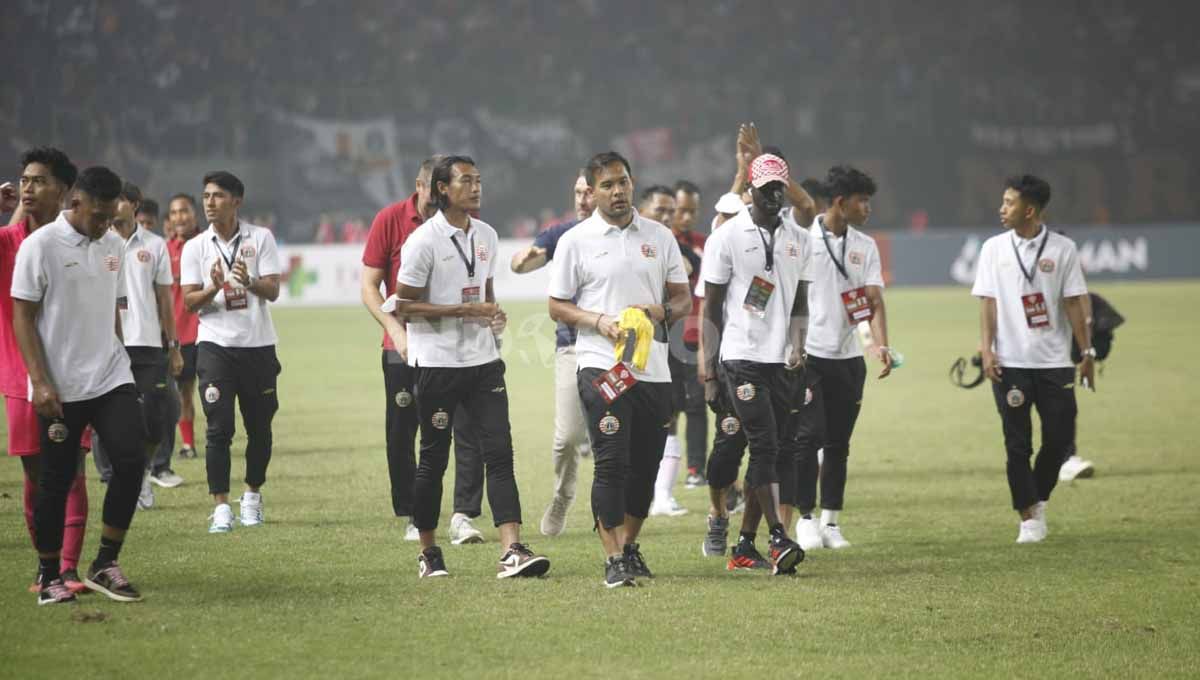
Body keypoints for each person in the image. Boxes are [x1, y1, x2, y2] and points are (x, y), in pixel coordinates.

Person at [390, 155, 549, 579]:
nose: (477, 187)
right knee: (434, 459)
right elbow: (402, 305)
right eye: (466, 180)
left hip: (483, 362)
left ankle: (512, 549)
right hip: (437, 364)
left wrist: (494, 316)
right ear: (442, 189)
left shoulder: (488, 235)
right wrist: (463, 310)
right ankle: (428, 552)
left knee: (500, 452)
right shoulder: (423, 241)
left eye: (479, 179)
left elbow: (487, 293)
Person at [548, 151, 692, 588]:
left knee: (645, 467)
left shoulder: (660, 236)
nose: (617, 191)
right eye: (607, 185)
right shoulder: (576, 240)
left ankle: (629, 545)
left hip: (651, 369)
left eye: (623, 182)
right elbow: (556, 306)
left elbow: (683, 300)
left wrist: (659, 310)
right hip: (599, 366)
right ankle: (612, 557)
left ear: (633, 184)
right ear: (591, 192)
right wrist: (599, 322)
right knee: (611, 462)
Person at [12, 165, 148, 604]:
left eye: (112, 217)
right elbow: (23, 318)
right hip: (60, 386)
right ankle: (50, 574)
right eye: (99, 216)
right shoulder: (39, 247)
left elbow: (110, 307)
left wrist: (123, 355)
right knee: (56, 480)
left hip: (110, 375)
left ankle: (105, 561)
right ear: (75, 204)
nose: (107, 225)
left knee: (131, 460)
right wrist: (40, 381)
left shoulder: (112, 244)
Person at [361, 156, 489, 545]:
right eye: (425, 187)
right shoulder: (390, 220)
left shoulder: (467, 226)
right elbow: (370, 287)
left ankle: (463, 514)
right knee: (403, 433)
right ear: (423, 185)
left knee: (469, 431)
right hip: (401, 346)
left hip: (460, 349)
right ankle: (414, 515)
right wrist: (395, 332)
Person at [699, 153, 811, 575]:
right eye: (767, 188)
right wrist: (709, 373)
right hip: (741, 357)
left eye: (780, 186)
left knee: (777, 449)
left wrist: (799, 348)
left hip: (781, 361)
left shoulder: (799, 238)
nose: (775, 194)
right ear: (750, 189)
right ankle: (779, 536)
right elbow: (709, 309)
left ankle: (745, 545)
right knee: (763, 445)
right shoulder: (726, 237)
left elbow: (801, 299)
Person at [972, 174, 1093, 543]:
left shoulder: (1062, 249)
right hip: (1011, 363)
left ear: (1030, 209)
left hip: (1055, 361)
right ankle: (1028, 517)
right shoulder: (993, 248)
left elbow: (1074, 302)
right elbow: (988, 302)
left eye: (1009, 203)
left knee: (1059, 439)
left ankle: (1038, 497)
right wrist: (987, 349)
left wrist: (1086, 352)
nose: (1002, 208)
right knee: (1017, 443)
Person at [1, 148, 93, 595]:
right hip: (21, 378)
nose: (27, 188)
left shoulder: (79, 240)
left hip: (76, 375)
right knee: (37, 476)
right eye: (23, 180)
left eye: (38, 180)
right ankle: (47, 569)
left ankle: (69, 569)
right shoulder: (8, 241)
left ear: (63, 191)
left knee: (72, 470)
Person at [793, 164, 891, 551]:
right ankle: (803, 519)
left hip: (849, 358)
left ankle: (831, 522)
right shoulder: (802, 241)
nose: (868, 208)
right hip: (810, 356)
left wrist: (881, 344)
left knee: (838, 444)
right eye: (862, 201)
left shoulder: (865, 246)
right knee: (807, 437)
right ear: (839, 202)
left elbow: (874, 301)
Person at [180, 171, 283, 533]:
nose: (209, 202)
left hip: (258, 347)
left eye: (218, 196)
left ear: (236, 201)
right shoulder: (195, 246)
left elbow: (273, 291)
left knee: (260, 429)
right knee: (218, 429)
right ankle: (221, 507)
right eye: (206, 195)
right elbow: (190, 302)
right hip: (215, 347)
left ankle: (252, 496)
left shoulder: (261, 238)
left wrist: (249, 281)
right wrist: (214, 287)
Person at [509, 170, 595, 537]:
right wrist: (524, 259)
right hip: (572, 346)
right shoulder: (562, 234)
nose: (581, 199)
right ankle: (562, 497)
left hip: (618, 348)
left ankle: (609, 507)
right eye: (577, 192)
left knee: (616, 435)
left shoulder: (627, 235)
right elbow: (523, 261)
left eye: (588, 192)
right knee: (568, 438)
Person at [92, 182, 185, 506]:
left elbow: (164, 300)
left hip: (147, 343)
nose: (114, 204)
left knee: (160, 412)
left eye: (120, 199)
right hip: (107, 342)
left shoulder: (155, 245)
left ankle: (142, 472)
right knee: (105, 415)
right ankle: (112, 477)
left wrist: (173, 345)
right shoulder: (99, 241)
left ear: (134, 204)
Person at [633, 185, 690, 518]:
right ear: (643, 209)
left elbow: (687, 293)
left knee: (668, 419)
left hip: (671, 345)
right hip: (624, 347)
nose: (669, 217)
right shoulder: (622, 244)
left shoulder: (677, 249)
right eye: (662, 211)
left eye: (673, 211)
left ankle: (663, 494)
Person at [669, 180, 710, 490]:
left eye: (692, 211)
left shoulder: (705, 243)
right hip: (668, 336)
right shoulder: (662, 241)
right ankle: (663, 476)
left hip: (698, 336)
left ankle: (696, 468)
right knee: (667, 408)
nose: (686, 217)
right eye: (681, 210)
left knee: (697, 406)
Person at [165, 193, 201, 461]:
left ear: (195, 214)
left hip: (212, 332)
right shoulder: (164, 251)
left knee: (216, 394)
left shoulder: (208, 245)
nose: (180, 217)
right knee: (184, 393)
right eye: (175, 212)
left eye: (184, 211)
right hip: (181, 335)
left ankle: (218, 437)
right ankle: (188, 445)